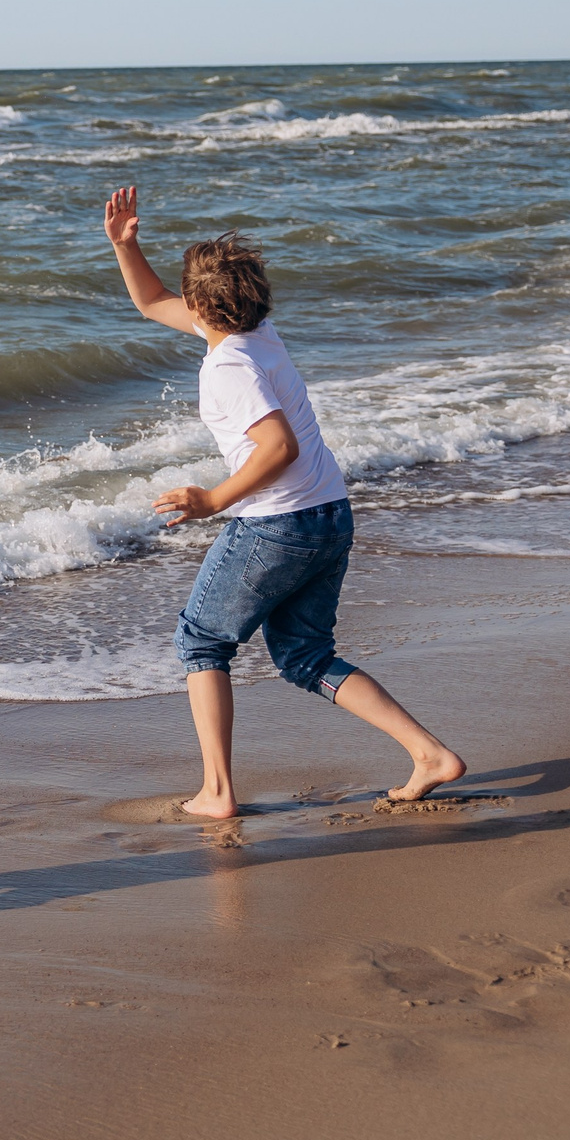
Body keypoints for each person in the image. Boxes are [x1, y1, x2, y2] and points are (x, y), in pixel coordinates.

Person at [103, 186, 465, 818]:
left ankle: (217, 792)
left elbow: (279, 447)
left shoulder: (228, 369)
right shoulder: (255, 334)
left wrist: (212, 499)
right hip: (329, 515)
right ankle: (429, 754)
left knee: (201, 643)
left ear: (200, 306)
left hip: (277, 526)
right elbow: (150, 301)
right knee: (304, 655)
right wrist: (126, 247)